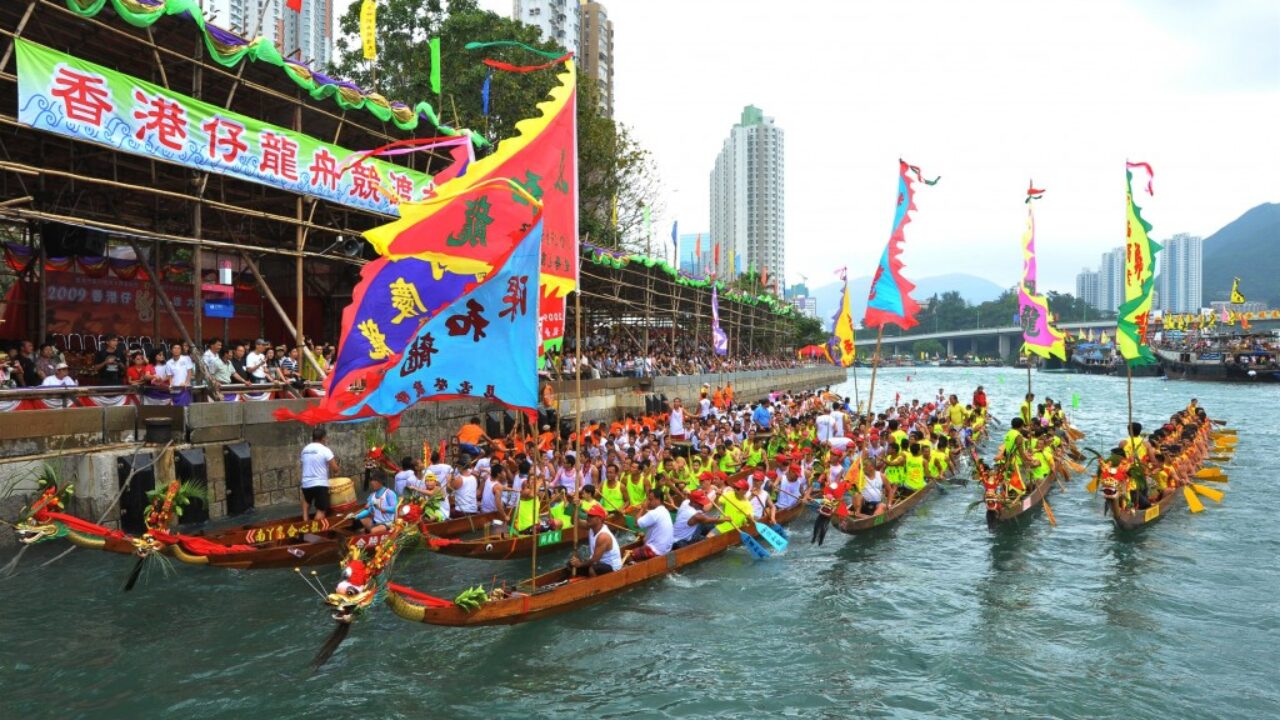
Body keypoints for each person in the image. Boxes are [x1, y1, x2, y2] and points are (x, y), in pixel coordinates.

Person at [568, 504, 621, 578]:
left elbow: (595, 560)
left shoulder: (603, 536)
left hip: (612, 568)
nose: (588, 518)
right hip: (597, 563)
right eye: (588, 515)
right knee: (571, 563)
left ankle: (595, 587)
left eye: (591, 516)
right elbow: (574, 521)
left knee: (593, 568)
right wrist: (576, 507)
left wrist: (580, 564)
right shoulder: (591, 527)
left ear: (599, 519)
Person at [300, 426, 339, 521]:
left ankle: (305, 520)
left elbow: (304, 463)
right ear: (323, 438)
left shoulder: (305, 450)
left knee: (306, 500)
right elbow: (335, 468)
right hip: (320, 484)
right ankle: (315, 530)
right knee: (321, 510)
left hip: (306, 483)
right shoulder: (325, 450)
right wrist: (337, 470)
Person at [631, 489, 674, 561]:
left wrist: (643, 508)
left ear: (658, 500)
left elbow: (636, 524)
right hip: (667, 549)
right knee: (644, 539)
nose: (648, 502)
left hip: (656, 550)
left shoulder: (654, 513)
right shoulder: (665, 510)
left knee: (630, 556)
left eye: (650, 499)